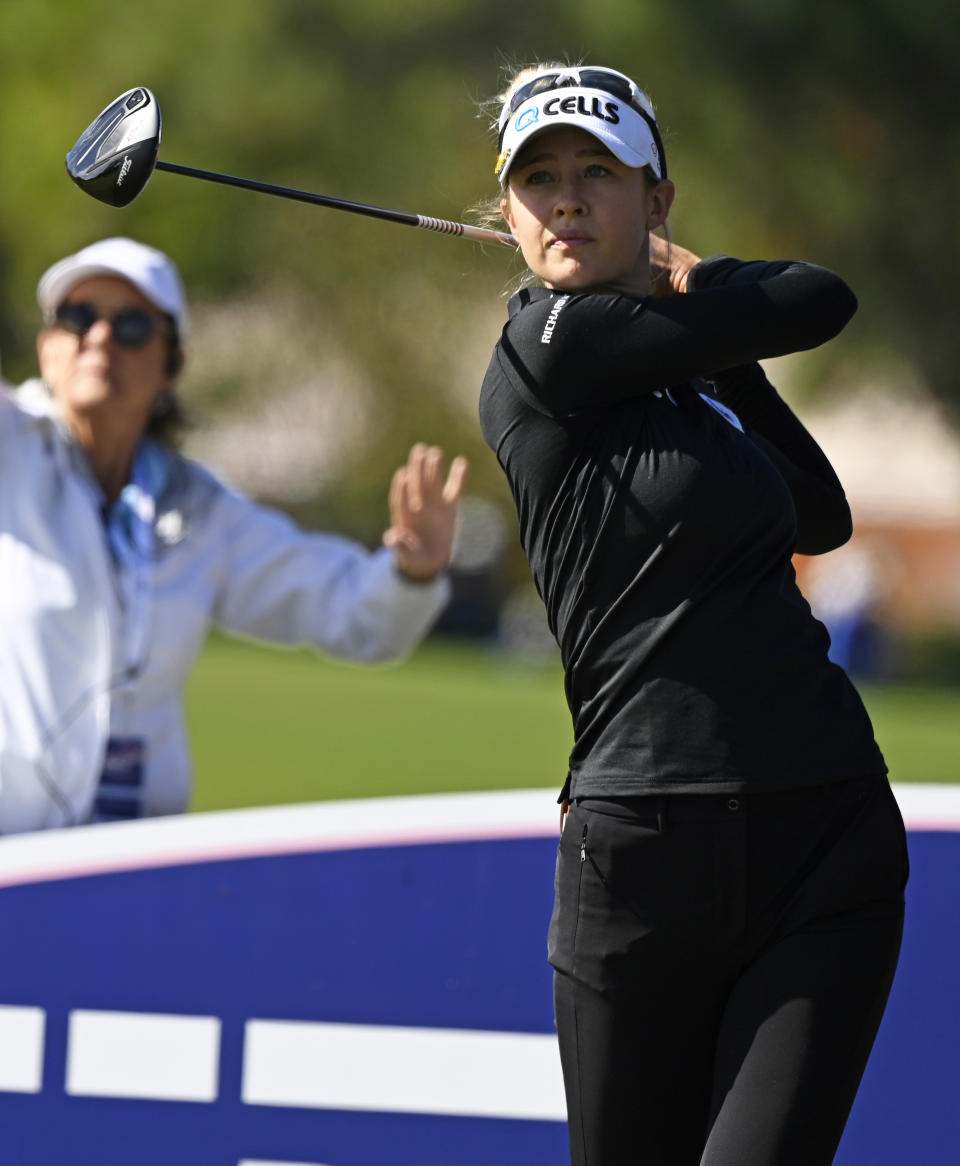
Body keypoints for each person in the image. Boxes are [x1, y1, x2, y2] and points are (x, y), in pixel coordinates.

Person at [478, 64, 908, 1166]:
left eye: (596, 174)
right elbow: (815, 295)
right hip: (644, 850)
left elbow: (821, 511)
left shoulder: (694, 368)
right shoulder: (546, 350)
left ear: (654, 199)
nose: (567, 199)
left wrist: (703, 321)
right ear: (509, 209)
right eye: (540, 180)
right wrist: (705, 289)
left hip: (825, 832)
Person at [0, 236, 468, 835]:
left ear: (173, 363)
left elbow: (347, 609)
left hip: (128, 870)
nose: (100, 339)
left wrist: (412, 571)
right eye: (78, 318)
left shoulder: (198, 507)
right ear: (46, 350)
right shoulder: (12, 448)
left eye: (134, 325)